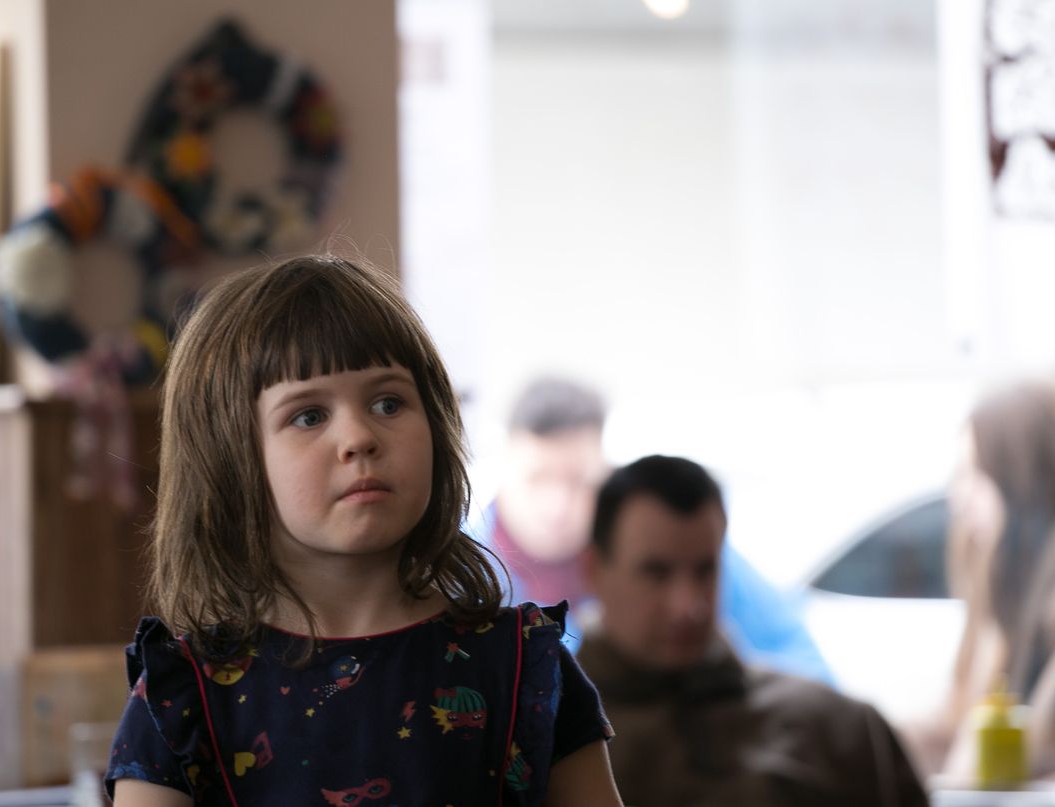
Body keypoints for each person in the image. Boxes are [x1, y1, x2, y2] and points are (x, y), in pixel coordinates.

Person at [106, 255, 622, 806]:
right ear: (231, 461)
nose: (358, 437)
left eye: (388, 402)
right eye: (308, 415)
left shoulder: (527, 669)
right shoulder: (182, 696)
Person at [577, 454, 929, 806]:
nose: (688, 606)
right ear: (595, 570)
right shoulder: (558, 741)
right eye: (656, 573)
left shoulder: (837, 728)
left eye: (705, 570)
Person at [472, 377, 833, 685]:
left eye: (578, 481)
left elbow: (802, 662)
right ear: (504, 466)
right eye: (538, 479)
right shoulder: (458, 576)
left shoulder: (683, 551)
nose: (557, 506)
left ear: (606, 472)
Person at [923, 379, 1055, 779]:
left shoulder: (1042, 615)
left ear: (1026, 481)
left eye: (978, 474)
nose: (959, 497)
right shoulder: (1002, 603)